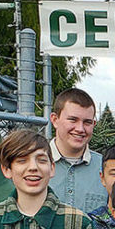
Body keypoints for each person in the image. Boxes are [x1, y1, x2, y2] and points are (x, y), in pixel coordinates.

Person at [48, 88, 105, 216]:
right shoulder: (33, 165)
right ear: (54, 119)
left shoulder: (106, 168)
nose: (80, 129)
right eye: (73, 120)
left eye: (87, 122)